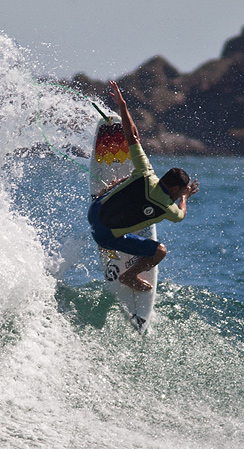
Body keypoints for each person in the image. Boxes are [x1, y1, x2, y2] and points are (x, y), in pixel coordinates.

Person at [88, 80, 199, 292]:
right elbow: (181, 216)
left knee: (132, 178)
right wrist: (185, 198)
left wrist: (123, 105)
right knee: (160, 251)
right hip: (105, 237)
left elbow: (132, 135)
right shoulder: (169, 209)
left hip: (94, 210)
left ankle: (109, 188)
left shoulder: (146, 171)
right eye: (180, 192)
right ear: (176, 189)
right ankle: (130, 276)